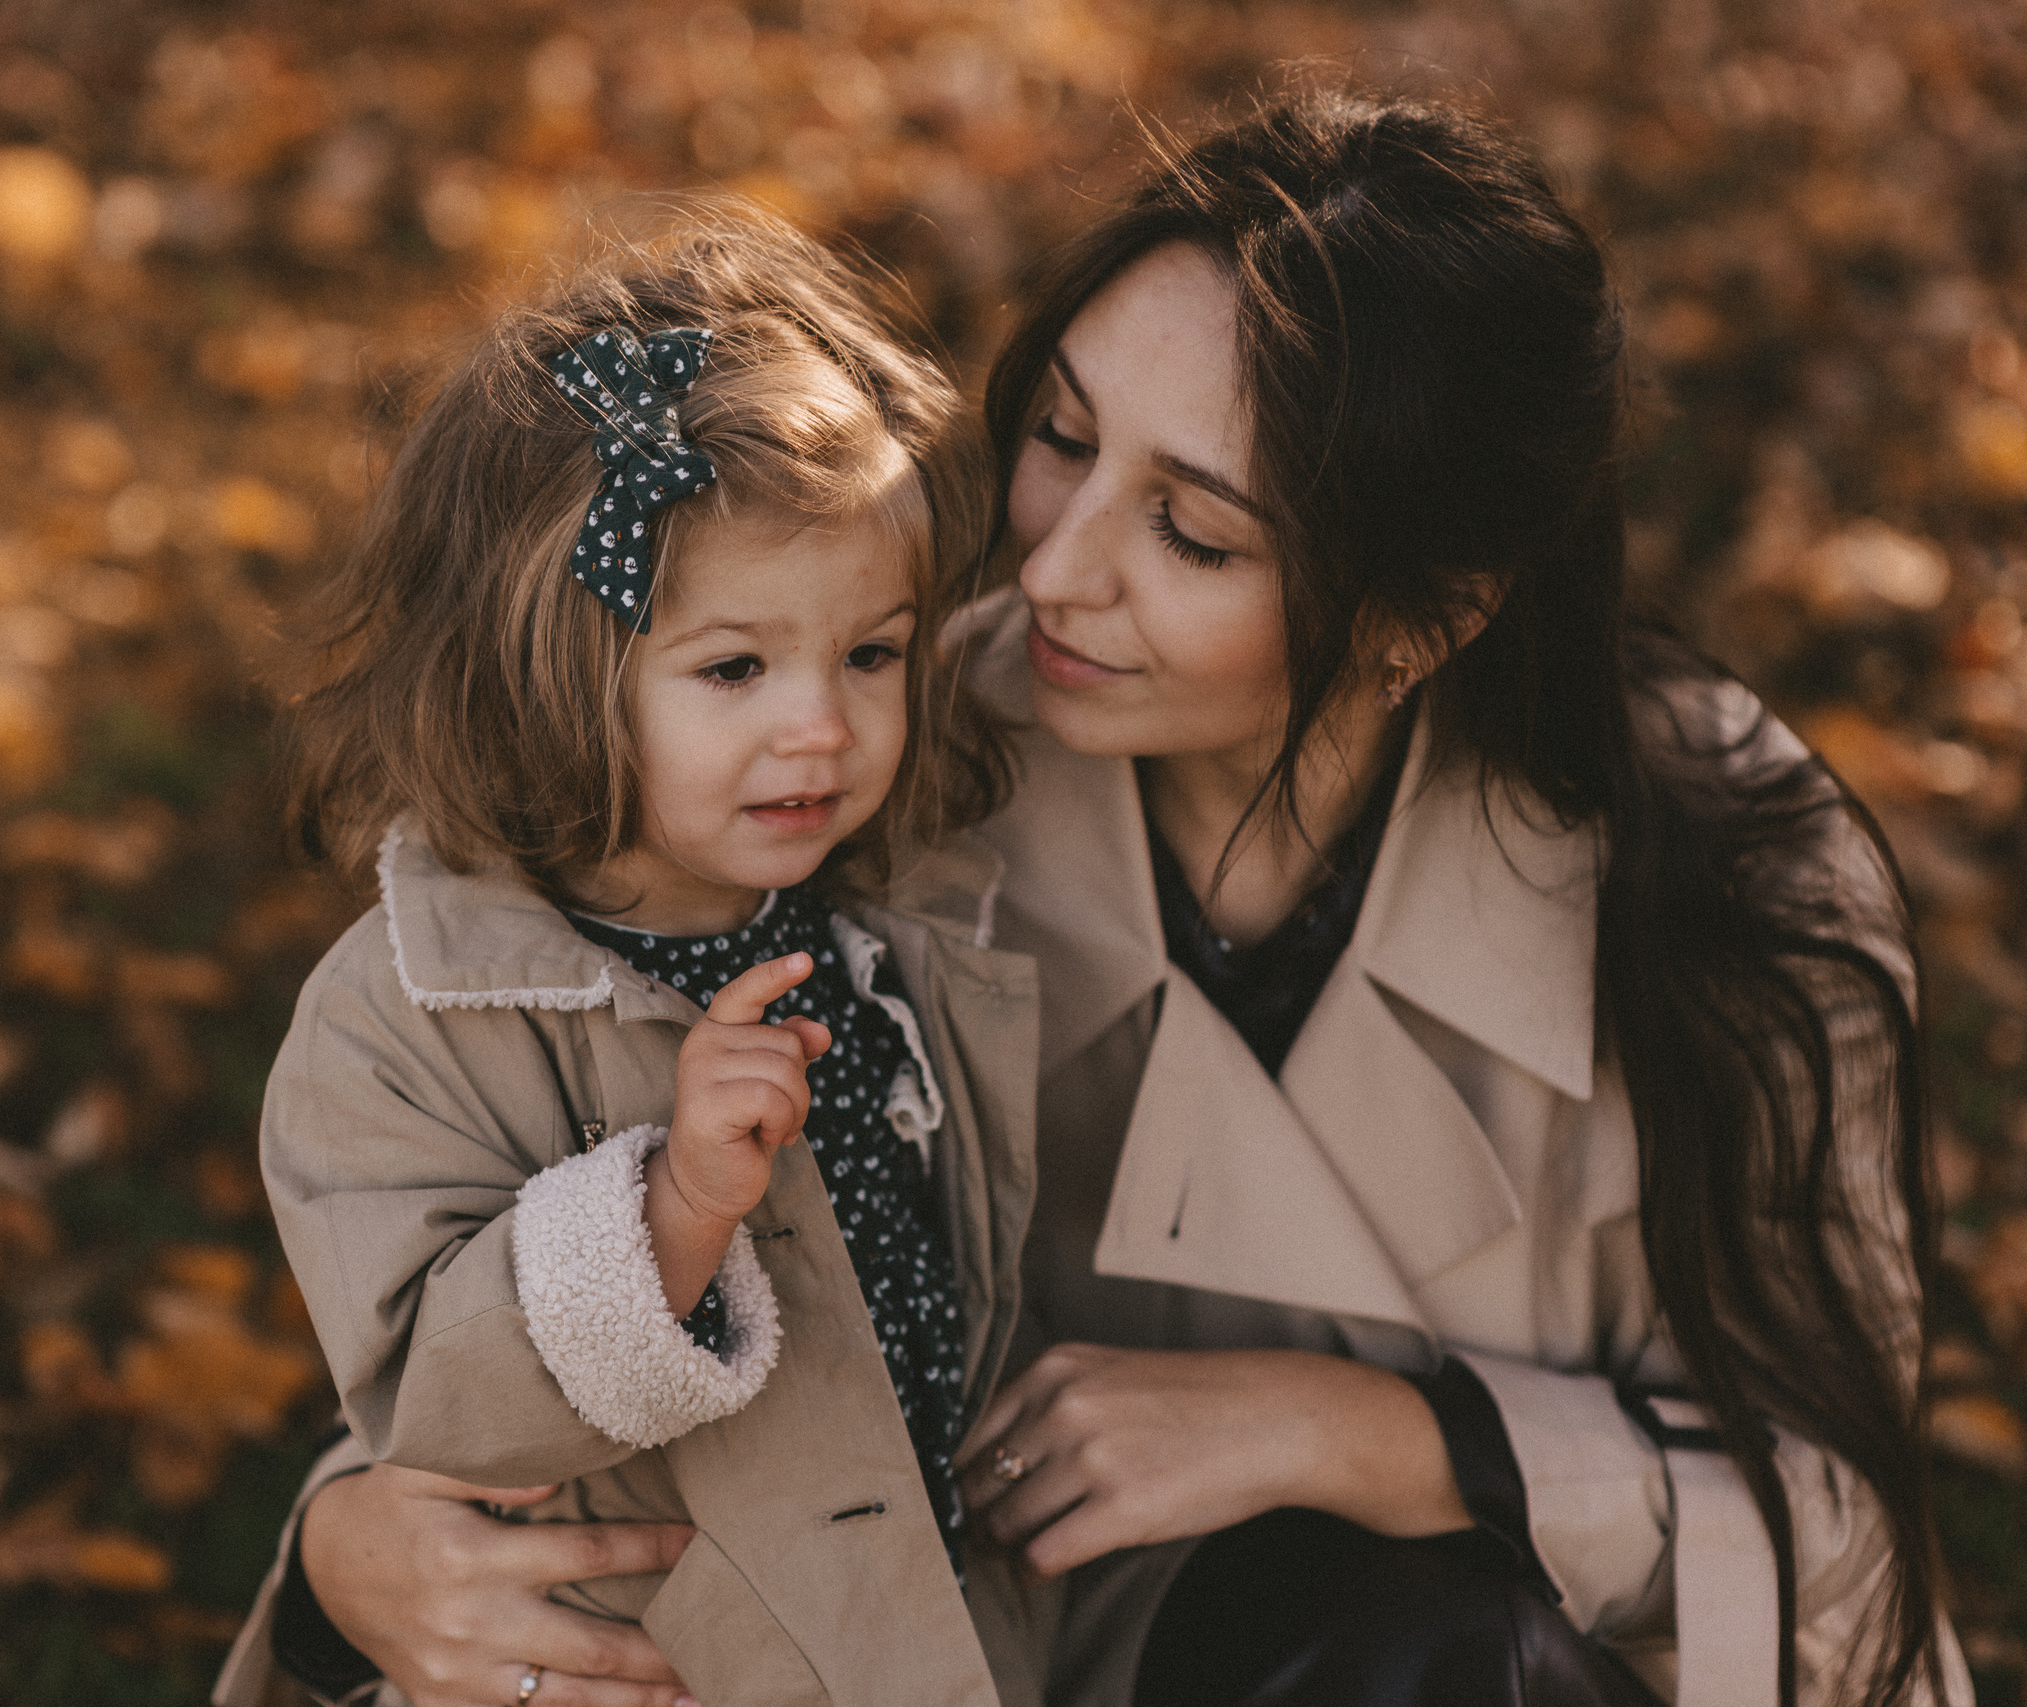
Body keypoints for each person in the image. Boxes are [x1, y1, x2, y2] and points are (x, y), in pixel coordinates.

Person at [224, 89, 1961, 1707]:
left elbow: (1839, 1519)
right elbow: (545, 1094)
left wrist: (1372, 1437)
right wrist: (347, 1543)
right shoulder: (885, 760)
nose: (1049, 570)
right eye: (1062, 437)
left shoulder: (1716, 860)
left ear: (1424, 618)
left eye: (1192, 534)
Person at [235, 214, 1055, 1707]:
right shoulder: (405, 1016)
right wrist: (670, 1210)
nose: (823, 725)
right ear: (554, 674)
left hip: (930, 1606)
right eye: (735, 666)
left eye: (871, 653)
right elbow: (438, 1395)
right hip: (655, 1657)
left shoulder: (888, 910)